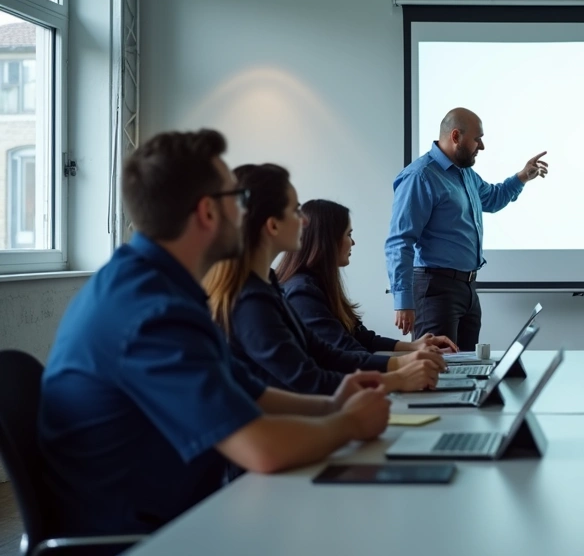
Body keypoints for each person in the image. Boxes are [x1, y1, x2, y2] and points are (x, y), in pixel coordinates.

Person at [38, 130, 390, 541]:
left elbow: (249, 391)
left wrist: (332, 404)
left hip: (183, 512)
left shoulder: (155, 285)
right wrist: (348, 424)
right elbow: (262, 450)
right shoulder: (151, 313)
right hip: (146, 537)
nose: (247, 212)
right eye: (236, 199)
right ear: (207, 212)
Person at [205, 164, 445, 394]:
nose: (305, 220)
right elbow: (307, 380)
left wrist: (403, 365)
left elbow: (325, 355)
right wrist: (398, 377)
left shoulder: (270, 287)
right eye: (295, 210)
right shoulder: (256, 300)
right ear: (273, 226)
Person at [386, 107, 549, 350]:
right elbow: (400, 241)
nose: (481, 146)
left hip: (467, 289)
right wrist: (403, 300)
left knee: (466, 367)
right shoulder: (420, 176)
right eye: (477, 138)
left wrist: (522, 176)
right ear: (455, 136)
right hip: (435, 289)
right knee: (438, 369)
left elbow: (493, 199)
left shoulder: (465, 174)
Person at [278, 199, 458, 357]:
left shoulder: (318, 284)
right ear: (327, 240)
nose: (353, 242)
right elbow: (348, 353)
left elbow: (361, 338)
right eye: (348, 234)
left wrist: (413, 347)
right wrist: (409, 360)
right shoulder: (302, 292)